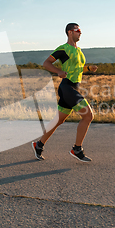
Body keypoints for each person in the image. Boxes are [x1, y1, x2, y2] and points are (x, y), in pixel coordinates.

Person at [32, 23, 98, 162]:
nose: (80, 33)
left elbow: (78, 69)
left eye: (80, 31)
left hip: (75, 87)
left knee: (59, 120)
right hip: (67, 87)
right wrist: (58, 71)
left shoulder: (79, 51)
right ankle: (77, 149)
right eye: (77, 30)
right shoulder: (64, 49)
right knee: (88, 116)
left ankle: (39, 145)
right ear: (69, 32)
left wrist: (87, 68)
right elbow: (46, 63)